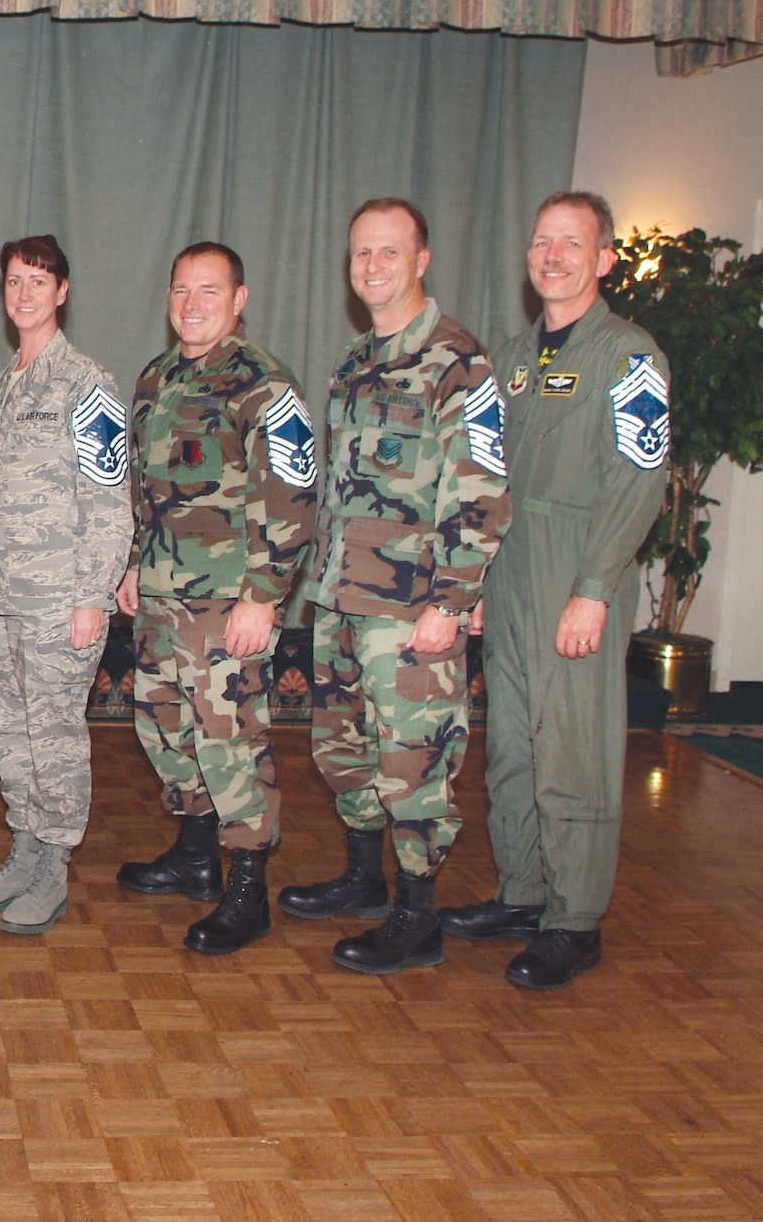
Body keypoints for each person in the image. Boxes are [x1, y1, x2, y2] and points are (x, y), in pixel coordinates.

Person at [441, 191, 669, 989]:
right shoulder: (509, 356)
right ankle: (524, 891)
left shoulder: (631, 357)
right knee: (512, 747)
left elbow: (640, 478)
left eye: (572, 243)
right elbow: (485, 474)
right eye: (542, 242)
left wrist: (597, 586)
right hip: (508, 572)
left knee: (573, 747)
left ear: (604, 259)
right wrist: (471, 580)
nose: (553, 256)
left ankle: (574, 918)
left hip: (576, 567)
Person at [282, 198, 512, 974]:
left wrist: (452, 600)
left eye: (388, 252)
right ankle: (363, 878)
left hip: (412, 608)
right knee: (345, 747)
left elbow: (481, 491)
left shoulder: (459, 362)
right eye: (360, 254)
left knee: (413, 757)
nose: (372, 267)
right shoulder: (353, 362)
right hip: (343, 595)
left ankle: (418, 917)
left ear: (422, 259)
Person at [113, 243, 318, 954]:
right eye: (181, 290)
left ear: (240, 299)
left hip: (227, 601)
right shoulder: (156, 378)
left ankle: (247, 887)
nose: (192, 303)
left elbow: (292, 496)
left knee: (229, 740)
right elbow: (144, 489)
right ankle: (196, 854)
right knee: (163, 727)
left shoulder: (264, 385)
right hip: (164, 591)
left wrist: (264, 597)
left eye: (209, 290)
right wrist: (136, 561)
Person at [0, 236, 132, 935]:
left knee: (53, 732)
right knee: (10, 730)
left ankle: (53, 865)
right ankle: (23, 850)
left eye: (38, 281)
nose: (23, 293)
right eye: (13, 281)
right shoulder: (2, 386)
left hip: (58, 598)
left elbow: (111, 498)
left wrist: (93, 593)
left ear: (62, 292)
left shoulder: (88, 384)